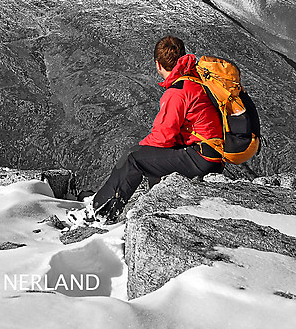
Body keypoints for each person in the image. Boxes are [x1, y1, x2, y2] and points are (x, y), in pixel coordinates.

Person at [91, 35, 224, 221]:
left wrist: (139, 149)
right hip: (211, 155)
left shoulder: (177, 92)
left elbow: (163, 138)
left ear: (158, 64)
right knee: (152, 157)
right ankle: (155, 205)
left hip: (201, 157)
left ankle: (100, 213)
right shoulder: (196, 81)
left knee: (133, 160)